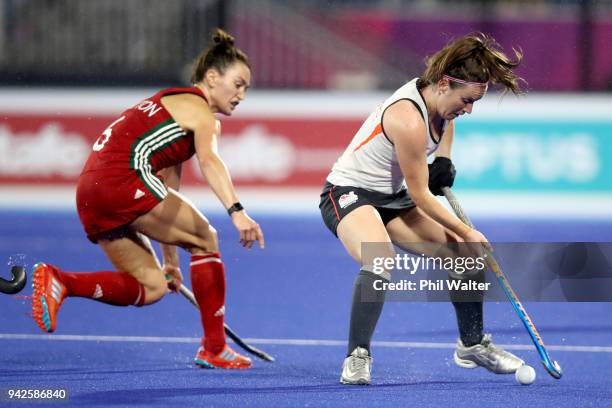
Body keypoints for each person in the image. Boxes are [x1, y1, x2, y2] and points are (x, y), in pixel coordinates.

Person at [31, 29, 264, 370]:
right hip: (122, 179)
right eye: (239, 84)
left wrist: (171, 259)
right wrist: (237, 212)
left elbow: (168, 188)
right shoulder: (200, 111)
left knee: (151, 286)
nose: (242, 95)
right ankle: (214, 348)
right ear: (212, 77)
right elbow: (210, 161)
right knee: (206, 238)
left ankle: (61, 281)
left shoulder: (175, 107)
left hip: (91, 191)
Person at [319, 33, 526, 384]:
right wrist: (467, 228)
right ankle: (358, 355)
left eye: (475, 102)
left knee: (464, 255)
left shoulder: (439, 99)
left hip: (390, 199)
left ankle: (471, 345)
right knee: (380, 257)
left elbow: (448, 120)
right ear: (445, 83)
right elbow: (421, 197)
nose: (469, 109)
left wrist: (443, 158)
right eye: (467, 100)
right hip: (348, 193)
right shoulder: (409, 119)